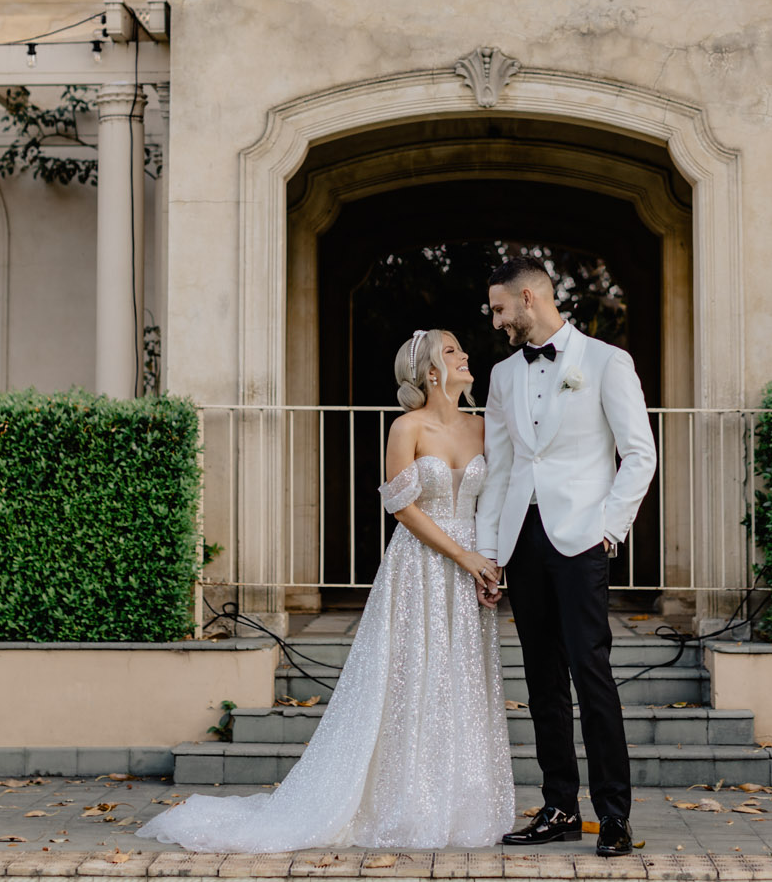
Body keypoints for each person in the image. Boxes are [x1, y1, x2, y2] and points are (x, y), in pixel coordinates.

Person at [140, 329, 514, 852]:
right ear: (432, 372)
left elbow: (496, 501)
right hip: (421, 566)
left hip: (473, 563)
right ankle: (405, 803)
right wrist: (461, 555)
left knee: (462, 680)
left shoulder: (484, 427)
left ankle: (460, 806)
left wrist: (490, 564)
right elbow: (402, 508)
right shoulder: (406, 427)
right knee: (411, 678)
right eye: (452, 351)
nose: (465, 355)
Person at [475, 255, 657, 858]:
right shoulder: (503, 375)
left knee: (591, 674)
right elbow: (501, 468)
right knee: (542, 681)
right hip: (522, 542)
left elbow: (640, 453)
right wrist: (490, 553)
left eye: (500, 308)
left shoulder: (606, 362)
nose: (495, 320)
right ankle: (558, 807)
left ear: (528, 298)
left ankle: (614, 815)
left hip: (582, 540)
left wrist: (608, 529)